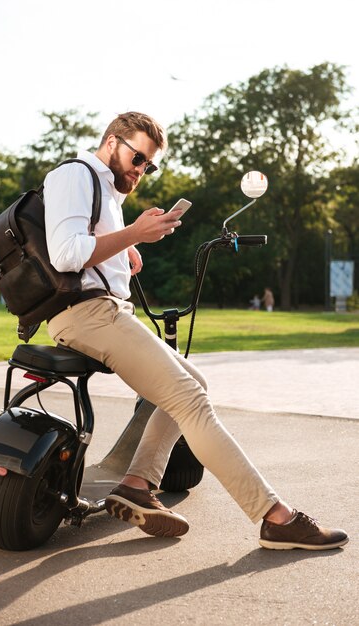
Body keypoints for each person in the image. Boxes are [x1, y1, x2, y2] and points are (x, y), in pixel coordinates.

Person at [44, 111, 348, 550]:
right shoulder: (76, 175)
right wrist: (133, 233)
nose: (141, 170)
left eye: (149, 165)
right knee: (190, 399)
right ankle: (275, 516)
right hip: (87, 314)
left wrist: (125, 247)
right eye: (137, 158)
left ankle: (135, 483)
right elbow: (67, 254)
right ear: (111, 142)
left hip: (103, 309)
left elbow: (89, 248)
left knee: (194, 380)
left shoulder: (107, 190)